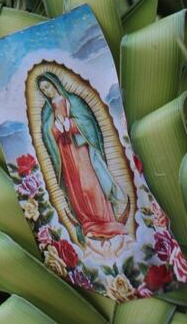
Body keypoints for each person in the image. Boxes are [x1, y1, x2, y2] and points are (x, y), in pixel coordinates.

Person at [37, 72, 129, 242]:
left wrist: (71, 124)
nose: (47, 91)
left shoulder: (73, 101)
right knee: (76, 189)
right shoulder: (46, 112)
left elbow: (88, 123)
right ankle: (88, 224)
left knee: (90, 185)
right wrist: (56, 129)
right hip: (64, 154)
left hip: (81, 150)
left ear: (54, 83)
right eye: (43, 90)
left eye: (47, 86)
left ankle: (107, 221)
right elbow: (48, 134)